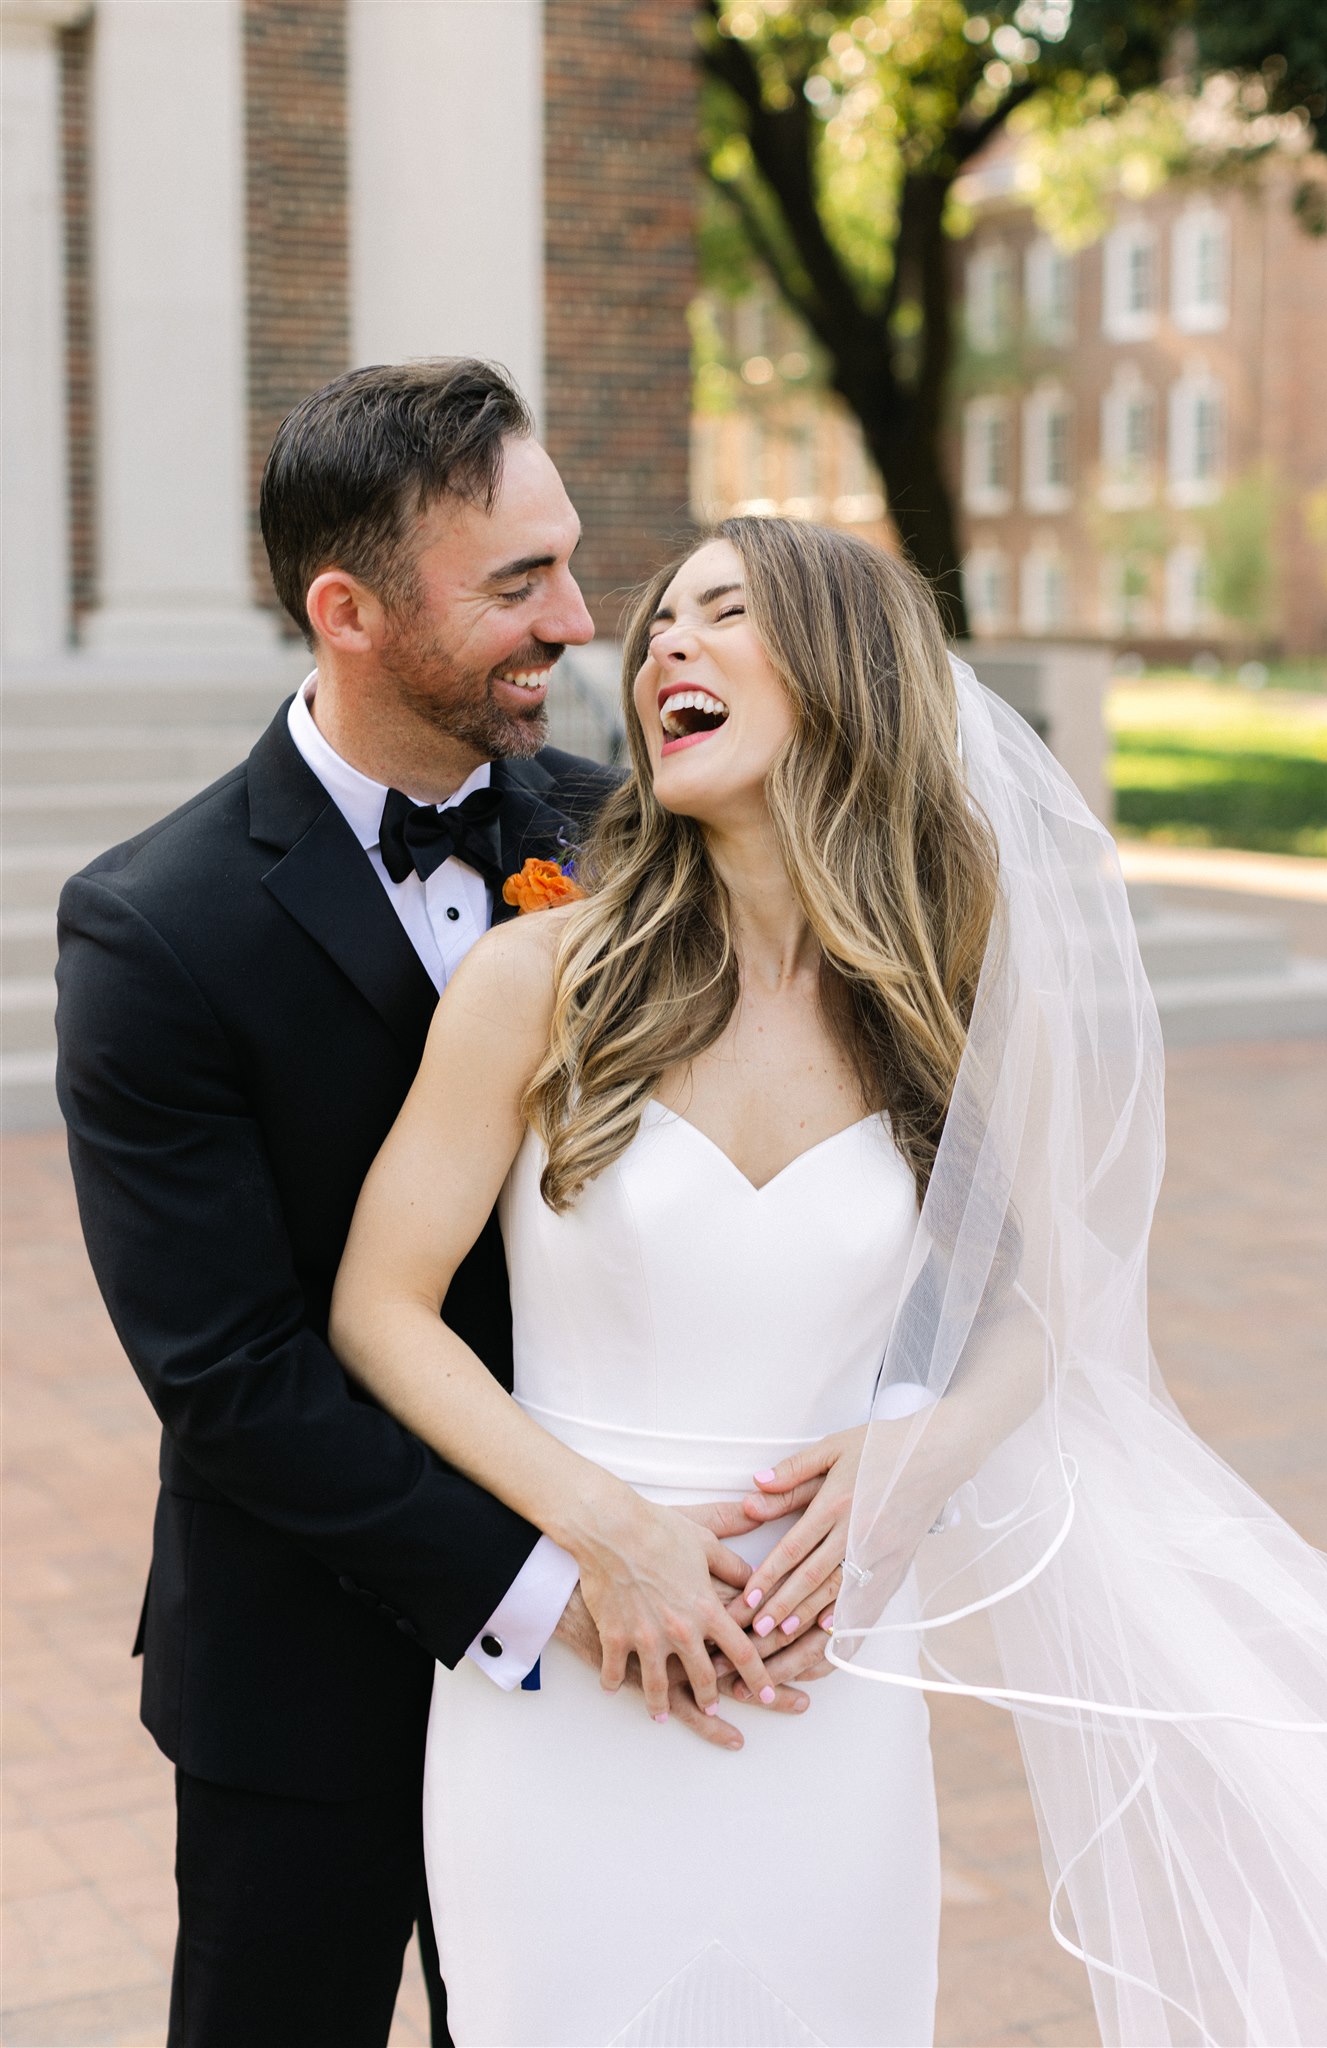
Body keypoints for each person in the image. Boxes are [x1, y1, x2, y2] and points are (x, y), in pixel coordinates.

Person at [54, 363, 823, 2048]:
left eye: (567, 562)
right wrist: (566, 1575)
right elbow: (232, 1374)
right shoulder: (151, 931)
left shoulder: (629, 837)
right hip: (316, 1671)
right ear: (347, 611)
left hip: (632, 1678)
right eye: (517, 586)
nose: (581, 617)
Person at [329, 516, 999, 2045]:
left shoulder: (930, 994)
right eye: (661, 624)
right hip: (577, 1661)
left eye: (726, 613)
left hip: (823, 1679)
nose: (661, 648)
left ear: (845, 678)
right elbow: (379, 1307)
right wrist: (606, 1536)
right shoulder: (537, 980)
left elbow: (1040, 1312)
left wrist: (924, 1445)